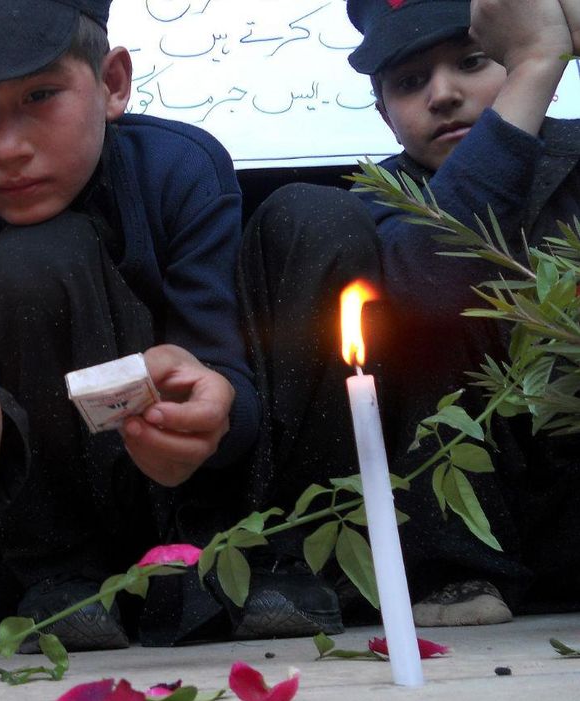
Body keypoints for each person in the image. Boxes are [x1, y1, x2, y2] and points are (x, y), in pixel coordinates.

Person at [0, 0, 344, 649]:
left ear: (111, 84)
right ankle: (64, 574)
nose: (10, 148)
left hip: (222, 505)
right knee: (36, 255)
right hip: (58, 530)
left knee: (320, 219)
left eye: (40, 95)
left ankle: (286, 559)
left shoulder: (180, 166)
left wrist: (213, 401)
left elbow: (225, 371)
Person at [240, 0, 580, 629]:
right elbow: (431, 283)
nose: (443, 95)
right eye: (409, 82)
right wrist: (535, 67)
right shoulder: (370, 212)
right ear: (383, 115)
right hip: (464, 537)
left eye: (472, 63)